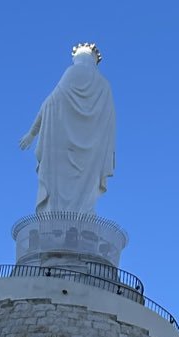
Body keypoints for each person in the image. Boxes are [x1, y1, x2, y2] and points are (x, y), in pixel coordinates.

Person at [19, 43, 116, 214]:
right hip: (92, 150)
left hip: (63, 147)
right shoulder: (105, 86)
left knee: (59, 192)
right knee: (85, 192)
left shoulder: (73, 72)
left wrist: (32, 133)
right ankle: (80, 221)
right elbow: (109, 124)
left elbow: (50, 103)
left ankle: (59, 221)